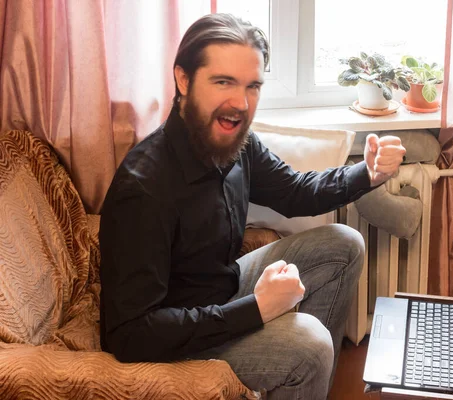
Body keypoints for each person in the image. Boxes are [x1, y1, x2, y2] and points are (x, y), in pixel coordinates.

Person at [99, 13, 406, 400]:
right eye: (223, 82)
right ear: (183, 79)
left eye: (253, 86)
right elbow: (131, 336)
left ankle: (307, 388)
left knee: (344, 245)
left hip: (219, 293)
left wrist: (367, 173)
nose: (241, 104)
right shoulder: (143, 188)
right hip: (174, 340)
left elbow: (295, 192)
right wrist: (256, 310)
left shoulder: (236, 145)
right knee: (309, 345)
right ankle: (305, 369)